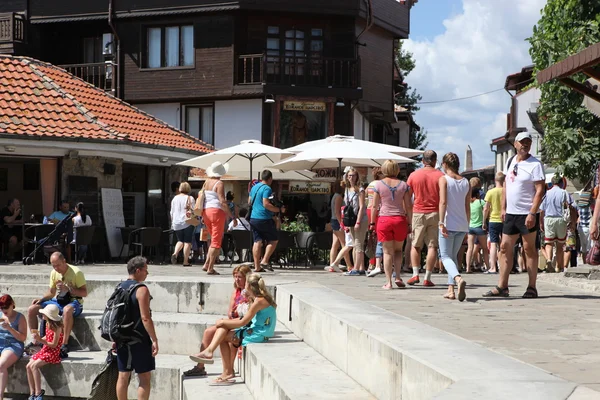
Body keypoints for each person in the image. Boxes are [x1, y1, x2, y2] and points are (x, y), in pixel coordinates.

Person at [484, 131, 545, 298]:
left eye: (528, 142)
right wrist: (503, 208)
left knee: (528, 249)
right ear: (516, 144)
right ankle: (502, 286)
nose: (525, 145)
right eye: (522, 142)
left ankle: (531, 287)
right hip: (511, 213)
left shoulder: (535, 164)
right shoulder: (510, 161)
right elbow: (506, 185)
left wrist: (533, 212)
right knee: (504, 247)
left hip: (527, 213)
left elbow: (540, 190)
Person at [189, 273, 276, 385]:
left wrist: (223, 322)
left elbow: (243, 321)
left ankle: (224, 368)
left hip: (258, 333)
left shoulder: (259, 301)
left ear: (249, 286)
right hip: (258, 330)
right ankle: (212, 355)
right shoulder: (260, 298)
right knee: (223, 329)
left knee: (223, 332)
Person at [185, 265, 251, 378]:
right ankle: (200, 366)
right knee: (208, 332)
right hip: (234, 320)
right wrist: (232, 312)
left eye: (239, 277)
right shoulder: (237, 291)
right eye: (235, 277)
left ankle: (229, 369)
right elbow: (230, 311)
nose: (237, 279)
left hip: (243, 322)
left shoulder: (250, 292)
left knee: (225, 333)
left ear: (246, 278)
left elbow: (250, 313)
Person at [26, 251, 87, 358]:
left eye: (58, 265)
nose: (56, 268)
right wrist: (41, 299)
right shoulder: (54, 273)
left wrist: (69, 290)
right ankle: (36, 340)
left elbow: (84, 293)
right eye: (53, 266)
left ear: (64, 261)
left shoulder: (77, 273)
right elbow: (51, 293)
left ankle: (64, 343)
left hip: (74, 301)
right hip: (58, 300)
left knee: (67, 310)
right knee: (32, 309)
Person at [114, 257, 158, 400]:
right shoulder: (141, 289)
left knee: (122, 376)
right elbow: (145, 318)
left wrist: (115, 338)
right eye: (146, 270)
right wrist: (154, 339)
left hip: (121, 338)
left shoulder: (119, 287)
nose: (147, 273)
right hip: (139, 339)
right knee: (144, 378)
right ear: (138, 270)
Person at [369, 160, 412, 289]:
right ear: (397, 170)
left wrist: (372, 222)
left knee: (387, 252)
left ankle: (389, 282)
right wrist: (409, 222)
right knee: (398, 250)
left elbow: (374, 206)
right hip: (399, 219)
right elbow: (408, 206)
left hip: (384, 220)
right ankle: (398, 276)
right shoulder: (404, 185)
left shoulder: (378, 185)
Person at [407, 150, 444, 287]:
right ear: (435, 161)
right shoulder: (441, 176)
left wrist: (409, 212)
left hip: (418, 212)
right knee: (432, 246)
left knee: (415, 245)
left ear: (423, 161)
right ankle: (427, 277)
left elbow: (407, 196)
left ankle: (415, 274)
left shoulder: (414, 175)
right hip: (435, 212)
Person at [438, 153, 470, 301]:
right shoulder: (466, 182)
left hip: (448, 222)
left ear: (445, 164)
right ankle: (450, 290)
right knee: (453, 257)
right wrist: (467, 225)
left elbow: (443, 202)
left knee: (445, 256)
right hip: (462, 224)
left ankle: (457, 279)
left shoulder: (444, 180)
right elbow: (466, 205)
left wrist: (441, 222)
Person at [248, 170, 285, 273]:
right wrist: (278, 210)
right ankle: (264, 260)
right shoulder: (267, 188)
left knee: (257, 241)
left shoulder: (254, 187)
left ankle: (257, 266)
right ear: (270, 179)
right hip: (264, 218)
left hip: (253, 218)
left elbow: (249, 201)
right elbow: (266, 204)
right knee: (274, 239)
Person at [26, 303, 64, 400]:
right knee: (28, 366)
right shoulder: (47, 324)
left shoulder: (57, 328)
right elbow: (47, 337)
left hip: (53, 352)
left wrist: (40, 340)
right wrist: (37, 340)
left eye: (44, 314)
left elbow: (54, 344)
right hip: (45, 349)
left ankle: (38, 393)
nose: (42, 315)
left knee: (34, 366)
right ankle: (32, 392)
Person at [201, 162, 233, 275]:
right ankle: (210, 268)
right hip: (216, 212)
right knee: (216, 241)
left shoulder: (206, 182)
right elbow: (222, 201)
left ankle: (206, 264)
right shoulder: (219, 183)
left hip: (206, 211)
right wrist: (231, 215)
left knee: (212, 239)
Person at [539, 175, 571, 272]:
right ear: (561, 183)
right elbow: (570, 206)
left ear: (552, 183)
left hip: (548, 219)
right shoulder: (564, 192)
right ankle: (558, 266)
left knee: (549, 243)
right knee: (560, 245)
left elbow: (541, 210)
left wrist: (541, 222)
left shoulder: (547, 193)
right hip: (560, 219)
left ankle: (549, 260)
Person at [0, 294, 27, 400]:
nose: (4, 310)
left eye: (6, 307)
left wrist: (10, 328)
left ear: (12, 304)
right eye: (1, 308)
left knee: (1, 365)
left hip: (13, 345)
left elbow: (23, 338)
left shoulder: (20, 318)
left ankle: (0, 396)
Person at [343, 167, 368, 276]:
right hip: (350, 219)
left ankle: (356, 268)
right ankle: (360, 267)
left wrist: (358, 222)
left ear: (357, 176)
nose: (351, 178)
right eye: (349, 175)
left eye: (353, 175)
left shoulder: (360, 189)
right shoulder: (347, 189)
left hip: (360, 219)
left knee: (358, 244)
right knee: (355, 243)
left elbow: (362, 207)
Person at [483, 172, 505, 273]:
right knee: (504, 244)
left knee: (493, 244)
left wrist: (484, 221)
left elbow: (486, 208)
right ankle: (503, 265)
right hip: (505, 220)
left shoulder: (490, 192)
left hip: (493, 220)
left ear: (495, 180)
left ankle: (493, 267)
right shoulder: (506, 191)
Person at [170, 182, 195, 267]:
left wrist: (173, 222)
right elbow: (194, 211)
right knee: (187, 242)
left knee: (180, 240)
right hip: (187, 222)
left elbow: (172, 212)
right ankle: (185, 261)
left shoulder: (174, 198)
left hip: (176, 223)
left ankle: (175, 253)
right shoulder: (190, 198)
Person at [366, 168, 385, 277]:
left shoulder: (370, 184)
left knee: (372, 237)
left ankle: (371, 263)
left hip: (369, 210)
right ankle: (374, 263)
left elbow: (366, 199)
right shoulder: (381, 184)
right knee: (378, 237)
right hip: (377, 210)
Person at [466, 188, 490, 273]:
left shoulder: (468, 204)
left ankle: (468, 267)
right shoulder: (481, 202)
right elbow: (487, 209)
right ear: (477, 194)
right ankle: (488, 267)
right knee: (484, 248)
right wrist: (484, 221)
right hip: (480, 226)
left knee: (470, 248)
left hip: (470, 227)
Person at [327, 180, 345, 272]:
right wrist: (341, 223)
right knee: (344, 244)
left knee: (335, 243)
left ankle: (332, 264)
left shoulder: (334, 196)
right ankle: (349, 264)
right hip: (337, 221)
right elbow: (337, 212)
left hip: (333, 220)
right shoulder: (339, 197)